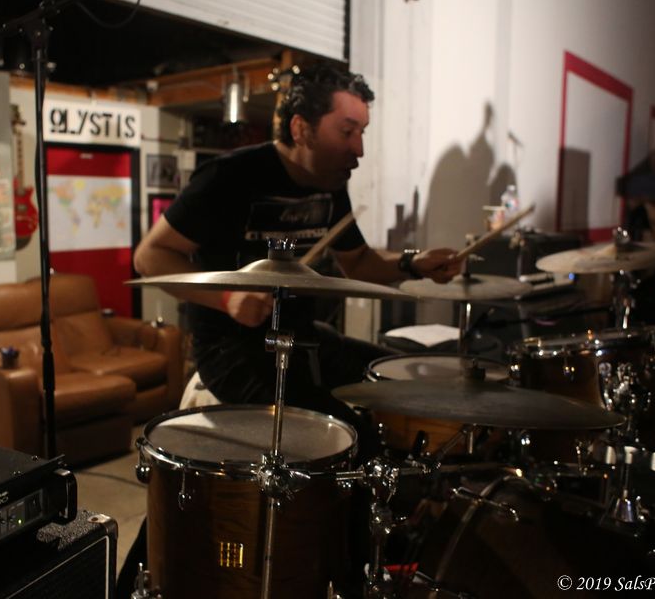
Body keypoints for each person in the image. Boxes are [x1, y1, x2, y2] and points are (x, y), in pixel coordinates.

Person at [117, 63, 463, 597]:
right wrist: (229, 299)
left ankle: (385, 540)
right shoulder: (229, 177)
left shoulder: (332, 185)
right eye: (347, 131)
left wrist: (415, 263)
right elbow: (151, 255)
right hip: (231, 348)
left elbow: (360, 264)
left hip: (303, 338)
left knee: (396, 377)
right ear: (302, 128)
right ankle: (335, 571)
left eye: (363, 132)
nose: (359, 149)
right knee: (340, 436)